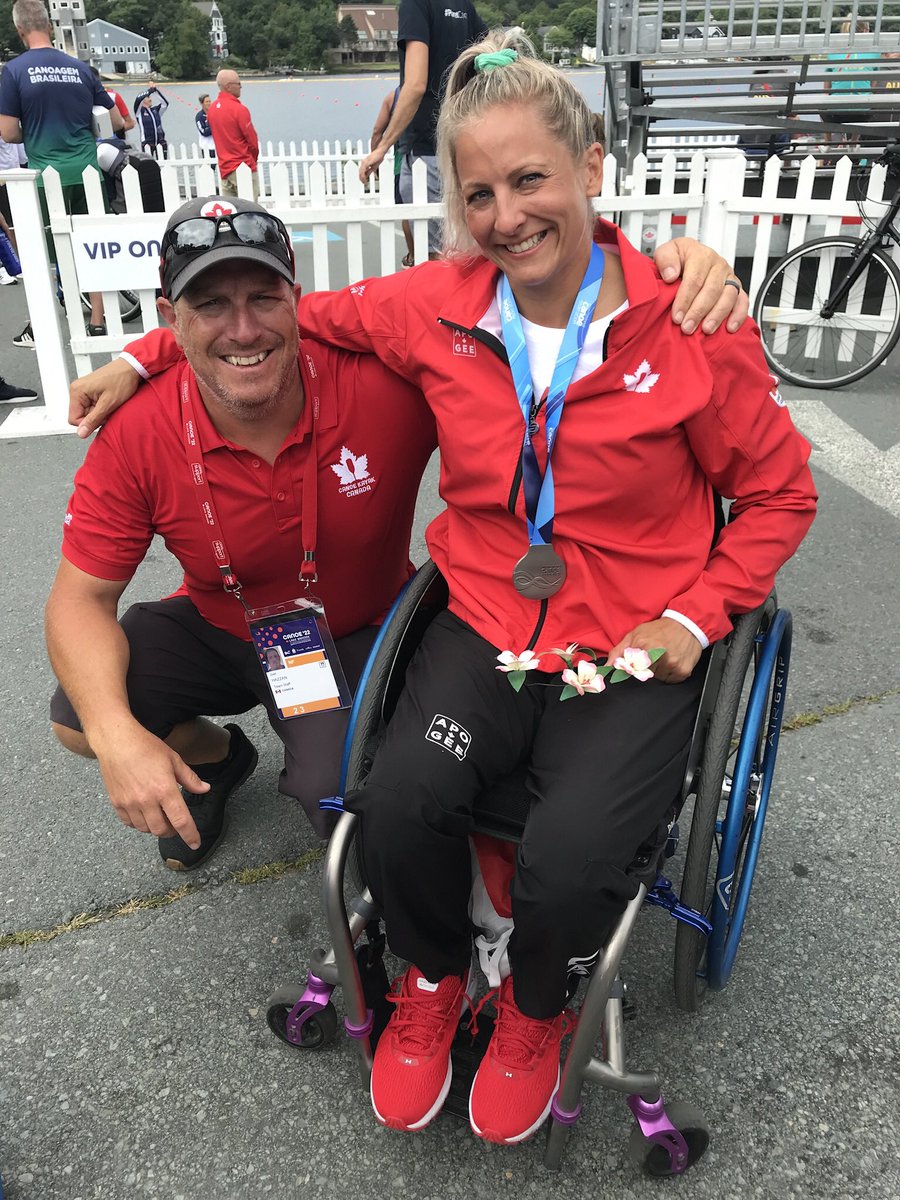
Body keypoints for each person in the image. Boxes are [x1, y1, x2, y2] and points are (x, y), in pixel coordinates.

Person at [290, 32, 815, 1146]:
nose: (506, 216)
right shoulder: (436, 302)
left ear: (592, 164)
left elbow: (779, 495)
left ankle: (535, 1008)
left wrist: (695, 615)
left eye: (530, 179)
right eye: (479, 193)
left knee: (573, 860)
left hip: (630, 643)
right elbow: (276, 322)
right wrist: (142, 359)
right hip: (487, 619)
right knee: (397, 800)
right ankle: (433, 979)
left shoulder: (691, 323)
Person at [46, 195, 438, 871]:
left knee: (343, 805)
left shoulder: (382, 384)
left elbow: (487, 321)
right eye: (210, 306)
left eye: (264, 298)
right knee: (80, 719)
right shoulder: (137, 430)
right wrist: (117, 738)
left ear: (297, 302)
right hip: (220, 623)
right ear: (171, 319)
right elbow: (78, 600)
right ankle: (219, 757)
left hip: (357, 630)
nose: (244, 329)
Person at [0, 0, 123, 346]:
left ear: (20, 31)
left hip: (45, 174)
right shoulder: (80, 68)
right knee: (92, 246)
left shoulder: (14, 71)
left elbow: (7, 132)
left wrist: (33, 132)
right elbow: (115, 121)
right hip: (87, 170)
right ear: (50, 26)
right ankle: (97, 319)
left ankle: (43, 322)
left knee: (43, 252)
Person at [358, 0, 486, 258]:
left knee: (435, 256)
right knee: (467, 251)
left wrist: (382, 148)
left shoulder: (416, 4)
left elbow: (416, 84)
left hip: (426, 148)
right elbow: (489, 55)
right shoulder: (464, 6)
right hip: (463, 146)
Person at [369, 87, 414, 266]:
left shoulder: (393, 97)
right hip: (435, 161)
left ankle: (413, 255)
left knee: (407, 212)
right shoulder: (435, 90)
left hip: (402, 163)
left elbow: (377, 131)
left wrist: (375, 158)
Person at [207, 70, 260, 199]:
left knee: (230, 208)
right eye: (238, 84)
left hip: (224, 168)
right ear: (229, 86)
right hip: (243, 166)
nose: (241, 87)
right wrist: (253, 161)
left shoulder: (212, 109)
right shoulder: (240, 109)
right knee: (249, 208)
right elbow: (252, 141)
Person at [91, 66, 135, 138]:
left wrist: (109, 133)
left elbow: (130, 123)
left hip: (110, 140)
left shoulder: (113, 96)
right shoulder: (79, 98)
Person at [133, 86, 169, 158]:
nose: (150, 99)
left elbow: (165, 104)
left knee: (164, 163)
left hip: (160, 142)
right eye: (148, 97)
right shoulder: (139, 112)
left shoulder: (156, 110)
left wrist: (156, 91)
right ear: (143, 100)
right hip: (147, 143)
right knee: (149, 163)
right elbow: (138, 100)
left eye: (150, 97)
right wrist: (149, 91)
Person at [195, 93, 216, 159]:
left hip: (217, 147)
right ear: (202, 103)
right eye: (207, 102)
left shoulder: (215, 113)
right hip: (207, 147)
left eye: (209, 101)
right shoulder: (199, 116)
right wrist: (215, 128)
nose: (209, 103)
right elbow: (203, 132)